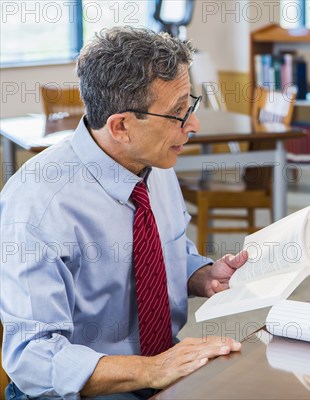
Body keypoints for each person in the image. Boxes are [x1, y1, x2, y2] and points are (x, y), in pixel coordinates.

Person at [0, 27, 248, 398]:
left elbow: (167, 251)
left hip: (156, 360)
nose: (193, 125)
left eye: (190, 105)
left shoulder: (155, 163)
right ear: (121, 127)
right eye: (178, 113)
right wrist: (152, 369)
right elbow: (32, 357)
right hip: (73, 386)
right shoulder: (38, 204)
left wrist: (202, 274)